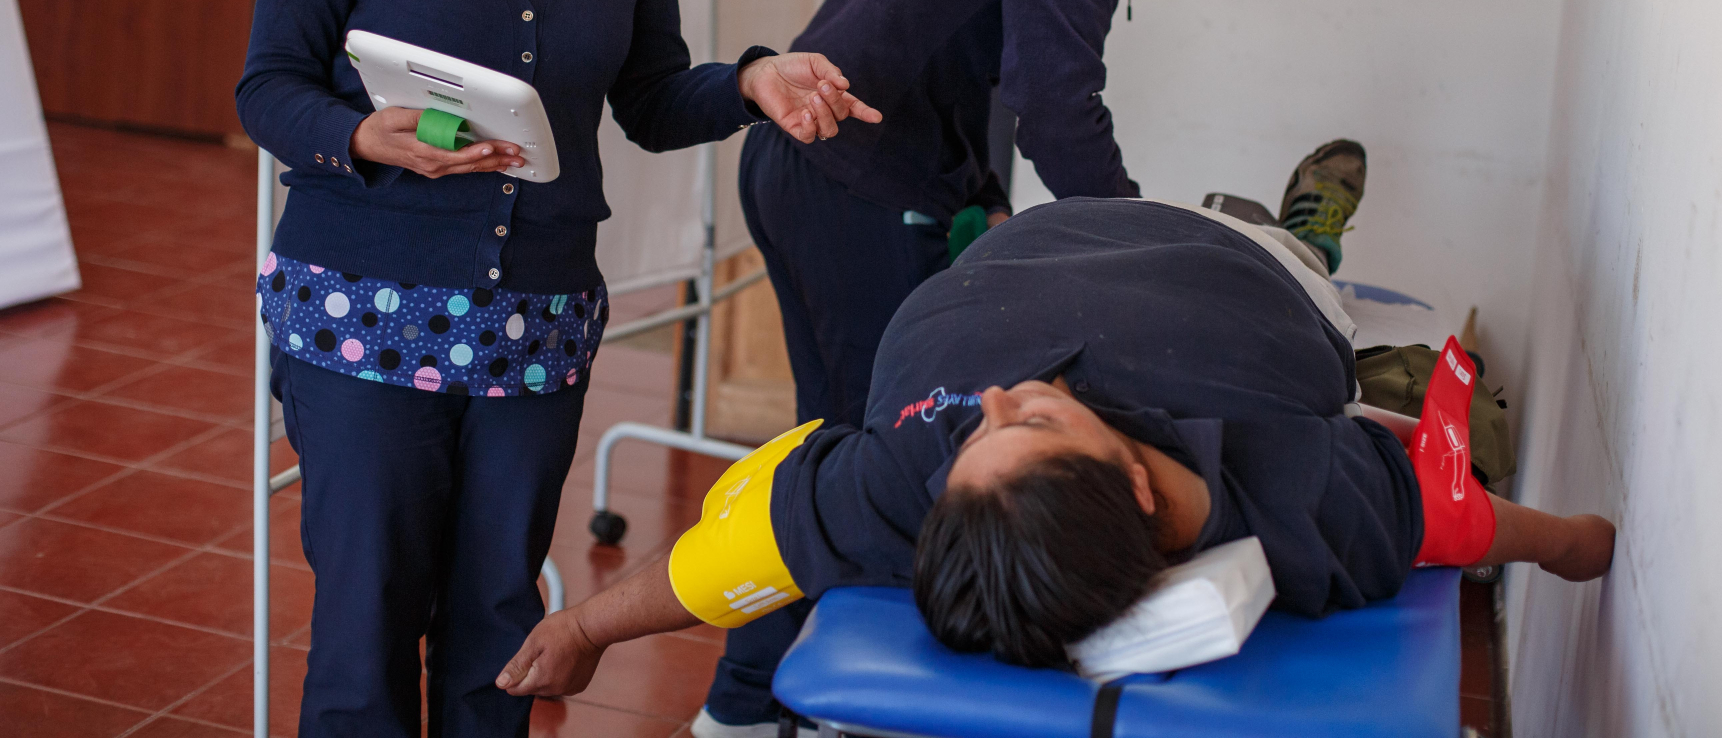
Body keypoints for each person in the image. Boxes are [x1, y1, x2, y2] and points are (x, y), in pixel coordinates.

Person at [237, 0, 878, 738]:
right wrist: (364, 136)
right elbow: (268, 86)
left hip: (536, 318)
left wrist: (750, 82)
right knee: (367, 619)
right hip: (363, 307)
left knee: (501, 618)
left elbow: (651, 96)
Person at [706, 0, 1317, 734]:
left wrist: (985, 200)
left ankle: (753, 702)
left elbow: (952, 60)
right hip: (850, 189)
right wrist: (1146, 250)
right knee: (870, 464)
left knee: (837, 442)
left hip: (816, 171)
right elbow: (1057, 111)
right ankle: (757, 705)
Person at [495, 184, 1615, 704]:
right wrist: (1578, 542)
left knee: (1316, 295)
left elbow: (720, 557)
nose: (988, 403)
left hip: (1164, 255)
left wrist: (583, 626)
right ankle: (1296, 233)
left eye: (1002, 426)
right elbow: (1460, 518)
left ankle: (1297, 229)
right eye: (1022, 422)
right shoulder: (1306, 491)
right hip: (1194, 268)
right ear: (1134, 477)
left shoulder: (906, 481)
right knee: (1326, 322)